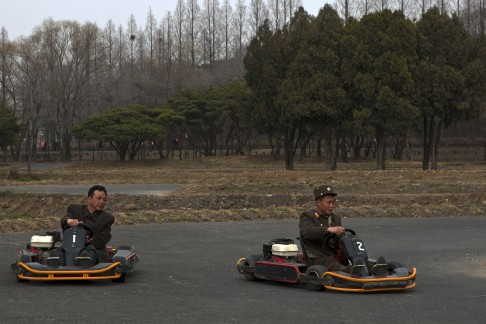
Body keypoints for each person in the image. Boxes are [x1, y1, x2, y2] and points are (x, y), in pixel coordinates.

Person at [299, 185, 387, 276]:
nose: (332, 206)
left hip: (334, 252)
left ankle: (373, 269)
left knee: (355, 256)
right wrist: (328, 229)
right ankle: (350, 271)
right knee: (332, 262)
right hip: (318, 255)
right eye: (328, 202)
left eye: (333, 202)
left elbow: (339, 238)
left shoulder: (335, 218)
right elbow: (307, 232)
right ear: (318, 202)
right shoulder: (308, 216)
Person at [60, 185, 114, 263]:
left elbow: (104, 238)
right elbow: (64, 219)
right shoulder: (75, 209)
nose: (102, 202)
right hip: (70, 246)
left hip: (93, 248)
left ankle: (84, 263)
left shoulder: (107, 218)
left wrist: (87, 240)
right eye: (98, 199)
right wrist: (68, 220)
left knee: (88, 254)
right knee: (57, 253)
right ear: (89, 199)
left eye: (104, 200)